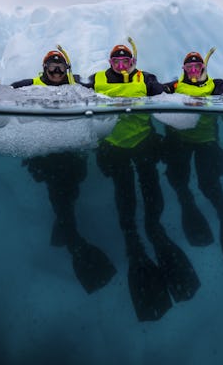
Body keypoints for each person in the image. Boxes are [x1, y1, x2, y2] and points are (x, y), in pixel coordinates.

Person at [0, 51, 117, 294]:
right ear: (44, 68)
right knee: (62, 199)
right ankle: (73, 241)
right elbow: (8, 93)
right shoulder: (31, 85)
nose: (56, 72)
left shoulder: (76, 87)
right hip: (49, 163)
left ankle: (70, 236)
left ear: (67, 69)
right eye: (52, 67)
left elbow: (101, 93)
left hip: (71, 161)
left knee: (65, 200)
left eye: (61, 67)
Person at [89, 42, 200, 321]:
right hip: (116, 150)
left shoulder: (146, 78)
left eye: (127, 61)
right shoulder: (96, 80)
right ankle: (133, 240)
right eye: (117, 61)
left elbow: (165, 91)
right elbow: (68, 86)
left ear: (134, 62)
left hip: (144, 145)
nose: (122, 66)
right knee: (124, 193)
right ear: (110, 62)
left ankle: (153, 229)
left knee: (151, 193)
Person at [162, 51, 223, 275]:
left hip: (206, 143)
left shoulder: (217, 84)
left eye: (197, 67)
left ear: (204, 68)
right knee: (179, 182)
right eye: (189, 68)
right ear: (183, 70)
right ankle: (189, 205)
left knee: (208, 185)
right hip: (181, 142)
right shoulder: (175, 86)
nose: (193, 72)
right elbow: (158, 92)